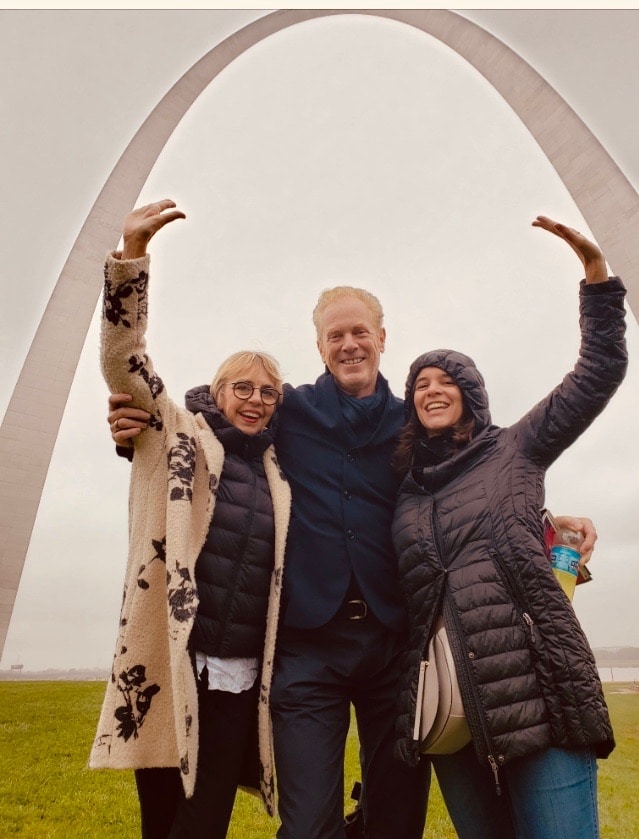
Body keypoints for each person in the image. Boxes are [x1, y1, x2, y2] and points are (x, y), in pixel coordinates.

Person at [108, 206, 599, 838]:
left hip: (396, 650)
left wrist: (543, 522)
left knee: (396, 822)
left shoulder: (413, 421)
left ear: (382, 338)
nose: (349, 344)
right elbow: (221, 422)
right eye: (335, 336)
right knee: (308, 825)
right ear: (319, 347)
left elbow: (471, 481)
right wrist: (141, 429)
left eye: (360, 332)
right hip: (305, 647)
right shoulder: (290, 413)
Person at [392, 216, 627, 838]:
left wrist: (597, 282)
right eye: (421, 383)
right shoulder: (405, 492)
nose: (433, 390)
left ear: (472, 394)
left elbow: (597, 372)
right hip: (452, 707)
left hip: (541, 689)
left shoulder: (515, 450)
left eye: (447, 381)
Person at [90, 200, 292, 839]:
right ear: (219, 389)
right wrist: (130, 261)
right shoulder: (175, 433)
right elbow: (125, 362)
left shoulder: (281, 475)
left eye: (267, 392)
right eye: (243, 388)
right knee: (163, 824)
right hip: (171, 667)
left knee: (206, 823)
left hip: (237, 678)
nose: (255, 401)